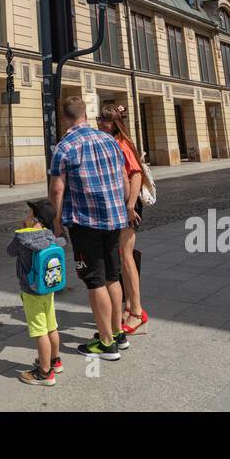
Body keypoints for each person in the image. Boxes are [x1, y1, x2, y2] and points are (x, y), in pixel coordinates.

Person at [49, 96, 129, 360]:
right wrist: (123, 206)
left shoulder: (64, 146)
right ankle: (117, 332)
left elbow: (58, 188)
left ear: (65, 117)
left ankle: (106, 343)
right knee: (112, 277)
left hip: (85, 222)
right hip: (114, 218)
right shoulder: (109, 140)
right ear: (85, 114)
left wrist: (56, 221)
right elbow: (123, 178)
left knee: (94, 281)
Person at [96, 102, 149, 335]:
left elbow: (136, 174)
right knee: (121, 254)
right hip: (120, 206)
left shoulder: (122, 144)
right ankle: (130, 305)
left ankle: (136, 311)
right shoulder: (112, 142)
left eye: (103, 120)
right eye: (98, 119)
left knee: (126, 256)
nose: (99, 123)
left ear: (114, 124)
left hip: (129, 206)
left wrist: (129, 206)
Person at [9, 198, 63, 387]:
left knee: (40, 331)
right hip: (48, 288)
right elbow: (62, 242)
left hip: (31, 290)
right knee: (51, 326)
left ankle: (44, 372)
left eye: (29, 214)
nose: (26, 216)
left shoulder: (23, 237)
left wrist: (21, 230)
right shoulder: (49, 235)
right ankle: (55, 361)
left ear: (34, 218)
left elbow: (10, 251)